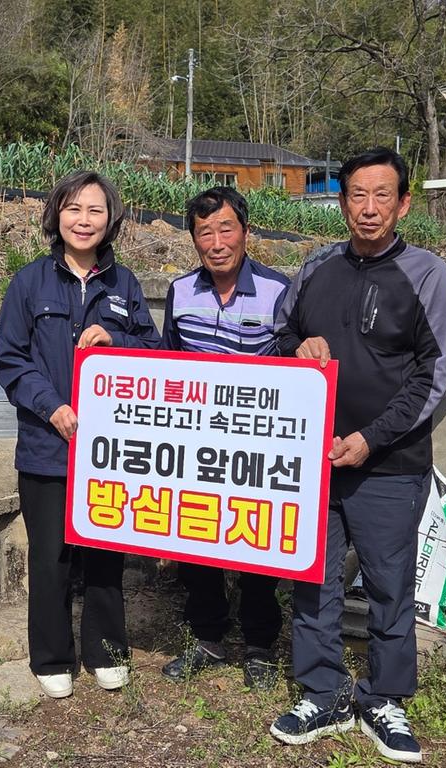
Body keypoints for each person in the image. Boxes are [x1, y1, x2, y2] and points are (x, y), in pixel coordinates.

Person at [267, 148, 446, 764]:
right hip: (313, 459)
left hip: (389, 465)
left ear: (403, 204)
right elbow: (279, 334)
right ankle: (322, 692)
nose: (368, 208)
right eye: (356, 194)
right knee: (313, 578)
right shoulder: (317, 266)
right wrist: (298, 345)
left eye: (382, 195)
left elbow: (432, 375)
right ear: (342, 201)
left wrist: (371, 438)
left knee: (388, 585)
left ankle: (384, 698)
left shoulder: (425, 273)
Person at [0, 170, 161, 699]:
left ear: (110, 219)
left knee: (107, 552)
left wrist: (117, 340)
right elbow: (11, 360)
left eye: (95, 210)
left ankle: (106, 651)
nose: (83, 220)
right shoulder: (29, 283)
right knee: (51, 557)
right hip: (47, 446)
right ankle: (51, 656)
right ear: (56, 216)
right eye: (73, 209)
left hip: (111, 450)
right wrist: (53, 407)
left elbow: (154, 352)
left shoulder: (124, 284)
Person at [159, 186, 290, 689]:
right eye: (204, 233)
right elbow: (167, 364)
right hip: (198, 446)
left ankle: (260, 645)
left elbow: (294, 363)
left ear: (246, 232)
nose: (216, 243)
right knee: (196, 540)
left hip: (258, 446)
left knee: (256, 540)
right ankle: (207, 637)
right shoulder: (180, 292)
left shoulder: (280, 291)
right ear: (194, 240)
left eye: (226, 229)